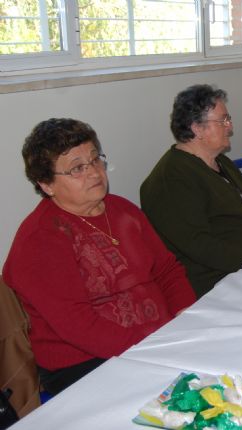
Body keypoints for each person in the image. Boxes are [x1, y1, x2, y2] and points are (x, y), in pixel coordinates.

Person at [2, 118, 196, 395]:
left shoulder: (122, 209)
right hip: (88, 364)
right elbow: (79, 327)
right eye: (77, 168)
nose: (94, 173)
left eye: (95, 160)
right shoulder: (40, 239)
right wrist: (157, 343)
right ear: (46, 184)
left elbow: (166, 270)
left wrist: (186, 316)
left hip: (160, 339)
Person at [140, 84, 242, 298]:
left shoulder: (220, 161)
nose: (230, 126)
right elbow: (201, 246)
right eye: (223, 120)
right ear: (197, 128)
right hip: (219, 282)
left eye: (228, 119)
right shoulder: (171, 179)